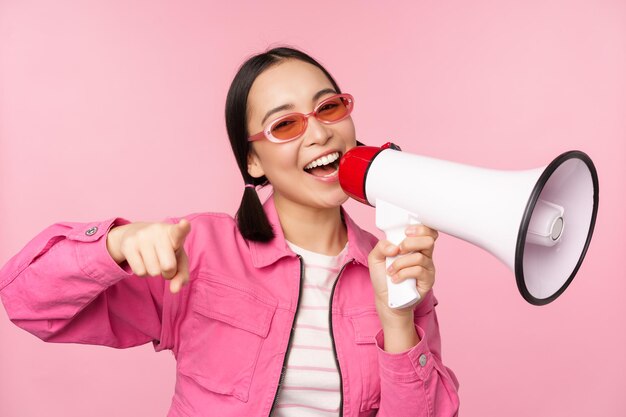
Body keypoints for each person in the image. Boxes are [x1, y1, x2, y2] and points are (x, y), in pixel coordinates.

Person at [0, 46, 460, 417]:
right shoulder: (198, 251)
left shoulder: (396, 267)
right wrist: (115, 244)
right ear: (253, 161)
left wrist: (398, 318)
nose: (318, 133)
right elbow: (27, 304)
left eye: (329, 107)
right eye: (285, 124)